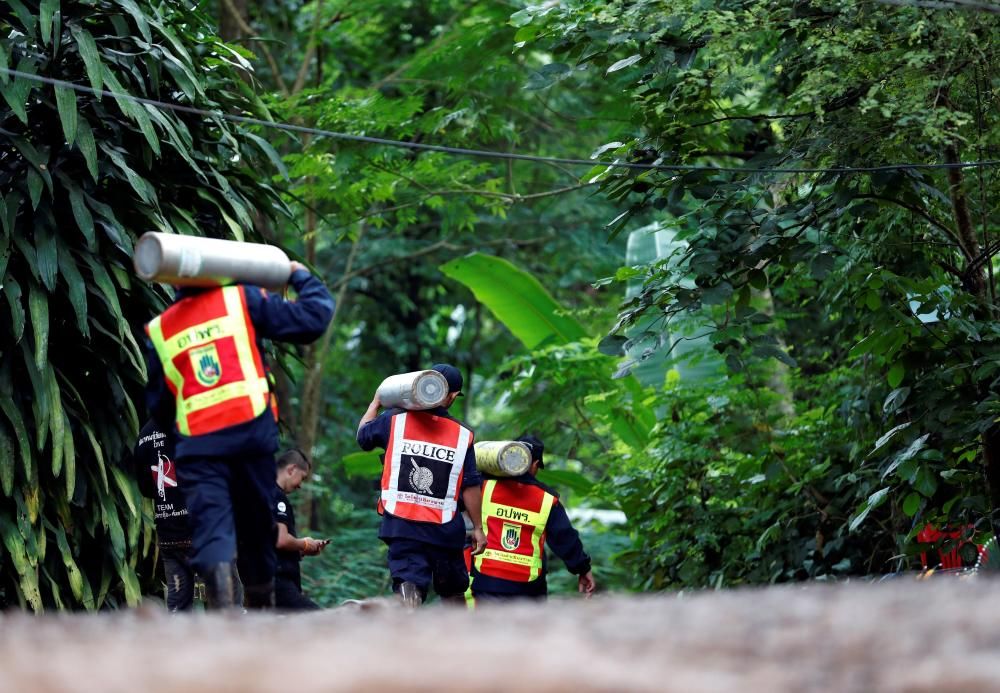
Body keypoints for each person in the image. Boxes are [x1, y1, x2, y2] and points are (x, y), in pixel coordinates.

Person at [144, 260, 334, 609]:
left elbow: (160, 406)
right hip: (250, 437)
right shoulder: (240, 300)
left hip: (198, 447)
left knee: (213, 529)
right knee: (258, 527)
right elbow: (313, 318)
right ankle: (259, 601)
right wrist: (299, 274)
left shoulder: (161, 329)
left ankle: (225, 619)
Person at [356, 363, 487, 607]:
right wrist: (478, 527)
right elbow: (470, 485)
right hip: (444, 528)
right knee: (454, 589)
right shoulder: (463, 435)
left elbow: (363, 437)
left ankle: (407, 614)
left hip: (401, 523)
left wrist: (376, 402)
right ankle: (457, 638)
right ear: (450, 396)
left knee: (409, 580)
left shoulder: (393, 421)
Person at [471, 434, 596, 601]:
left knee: (489, 627)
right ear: (535, 464)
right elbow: (564, 538)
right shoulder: (547, 499)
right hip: (528, 587)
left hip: (487, 580)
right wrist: (583, 568)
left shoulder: (484, 486)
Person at [273, 449, 327, 611]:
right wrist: (304, 543)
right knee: (321, 619)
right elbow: (281, 539)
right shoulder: (276, 496)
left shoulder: (261, 492)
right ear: (291, 470)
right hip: (278, 581)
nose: (300, 485)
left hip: (265, 578)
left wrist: (302, 550)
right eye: (302, 477)